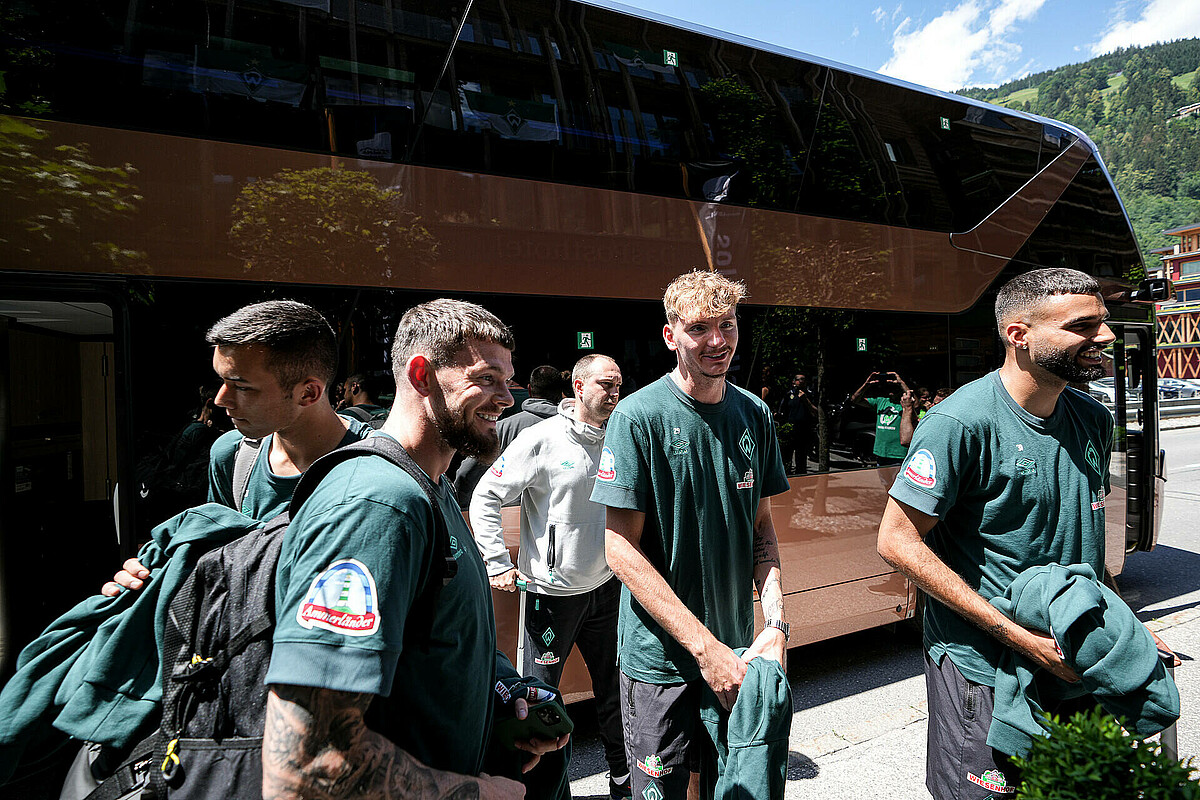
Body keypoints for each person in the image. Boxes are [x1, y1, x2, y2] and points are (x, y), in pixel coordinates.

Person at [876, 268, 1178, 800]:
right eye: (1082, 327)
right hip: (984, 668)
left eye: (1103, 324)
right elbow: (896, 542)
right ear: (1018, 335)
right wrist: (1018, 637)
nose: (1104, 338)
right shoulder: (960, 423)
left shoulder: (1090, 416)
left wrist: (1122, 625)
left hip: (1073, 657)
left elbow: (1079, 540)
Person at [262, 298, 568, 800]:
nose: (507, 398)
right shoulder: (378, 504)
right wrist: (477, 794)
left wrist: (501, 692)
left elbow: (434, 644)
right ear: (422, 375)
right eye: (486, 378)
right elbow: (305, 763)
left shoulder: (432, 486)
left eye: (507, 380)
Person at [591, 270, 791, 799]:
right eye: (700, 328)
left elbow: (762, 527)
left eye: (727, 325)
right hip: (661, 664)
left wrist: (775, 625)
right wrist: (705, 651)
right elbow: (619, 550)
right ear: (670, 335)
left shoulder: (756, 414)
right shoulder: (637, 417)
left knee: (728, 788)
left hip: (737, 651)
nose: (718, 342)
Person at [102, 300, 373, 595]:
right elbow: (218, 563)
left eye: (242, 386)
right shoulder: (232, 457)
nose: (221, 399)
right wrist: (153, 578)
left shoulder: (374, 469)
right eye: (222, 381)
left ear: (308, 393)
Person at [470, 354, 629, 799]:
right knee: (538, 703)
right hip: (551, 597)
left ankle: (623, 783)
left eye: (618, 385)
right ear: (578, 387)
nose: (614, 393)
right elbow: (486, 495)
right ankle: (540, 792)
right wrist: (497, 561)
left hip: (607, 587)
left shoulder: (621, 434)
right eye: (605, 385)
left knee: (616, 692)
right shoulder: (541, 439)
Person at [454, 364, 564, 504]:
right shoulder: (578, 429)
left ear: (529, 389)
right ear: (561, 392)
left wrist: (461, 510)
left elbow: (467, 475)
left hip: (509, 516)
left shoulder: (503, 428)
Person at [849, 370, 912, 465]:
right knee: (883, 480)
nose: (891, 391)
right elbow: (855, 399)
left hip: (898, 454)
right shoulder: (881, 401)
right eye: (889, 388)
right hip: (881, 452)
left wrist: (901, 383)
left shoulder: (905, 403)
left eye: (894, 388)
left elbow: (915, 403)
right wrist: (867, 384)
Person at [777, 372, 817, 474]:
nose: (801, 382)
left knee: (801, 458)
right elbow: (782, 411)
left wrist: (805, 399)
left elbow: (815, 412)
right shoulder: (788, 394)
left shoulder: (809, 394)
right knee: (786, 457)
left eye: (803, 380)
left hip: (803, 431)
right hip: (790, 430)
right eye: (799, 379)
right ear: (794, 381)